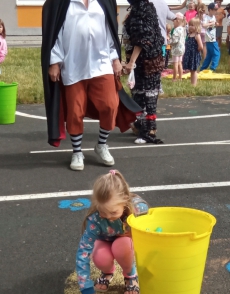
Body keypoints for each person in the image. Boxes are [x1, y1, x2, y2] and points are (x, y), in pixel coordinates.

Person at [41, 0, 141, 172]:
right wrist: (55, 62)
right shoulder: (62, 3)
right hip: (73, 66)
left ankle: (102, 145)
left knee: (110, 105)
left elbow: (110, 30)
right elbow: (55, 33)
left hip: (101, 64)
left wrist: (115, 59)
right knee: (75, 111)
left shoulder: (104, 2)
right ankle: (77, 152)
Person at [76, 170, 149, 294]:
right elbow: (83, 252)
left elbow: (150, 232)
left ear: (125, 200)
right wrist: (86, 289)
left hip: (124, 243)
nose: (108, 216)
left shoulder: (138, 210)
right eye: (103, 212)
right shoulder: (95, 219)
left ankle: (130, 275)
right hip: (104, 242)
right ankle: (108, 272)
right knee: (100, 256)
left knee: (123, 245)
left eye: (113, 212)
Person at [123, 0, 165, 145]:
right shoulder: (140, 8)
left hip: (148, 61)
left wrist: (131, 61)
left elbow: (143, 39)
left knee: (148, 95)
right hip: (144, 62)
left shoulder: (143, 9)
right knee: (139, 94)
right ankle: (141, 125)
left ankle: (148, 130)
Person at [200, 2, 220, 72]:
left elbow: (213, 25)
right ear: (210, 9)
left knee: (210, 55)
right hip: (210, 38)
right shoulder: (206, 16)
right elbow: (204, 25)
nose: (216, 11)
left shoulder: (213, 17)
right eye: (215, 9)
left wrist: (216, 24)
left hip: (212, 37)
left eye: (217, 9)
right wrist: (212, 23)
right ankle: (212, 68)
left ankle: (203, 68)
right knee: (217, 54)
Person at [183, 18, 203, 85]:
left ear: (197, 26)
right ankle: (192, 83)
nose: (190, 26)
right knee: (191, 70)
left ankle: (194, 84)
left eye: (192, 25)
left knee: (194, 70)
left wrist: (196, 51)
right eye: (190, 25)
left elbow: (201, 46)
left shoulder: (197, 35)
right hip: (189, 54)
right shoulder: (189, 35)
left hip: (194, 55)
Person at [170, 13, 186, 81]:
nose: (173, 23)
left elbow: (174, 40)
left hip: (176, 48)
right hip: (182, 48)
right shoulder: (183, 29)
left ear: (178, 20)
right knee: (180, 63)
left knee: (175, 64)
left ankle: (174, 79)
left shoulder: (176, 30)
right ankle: (180, 77)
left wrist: (169, 42)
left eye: (173, 21)